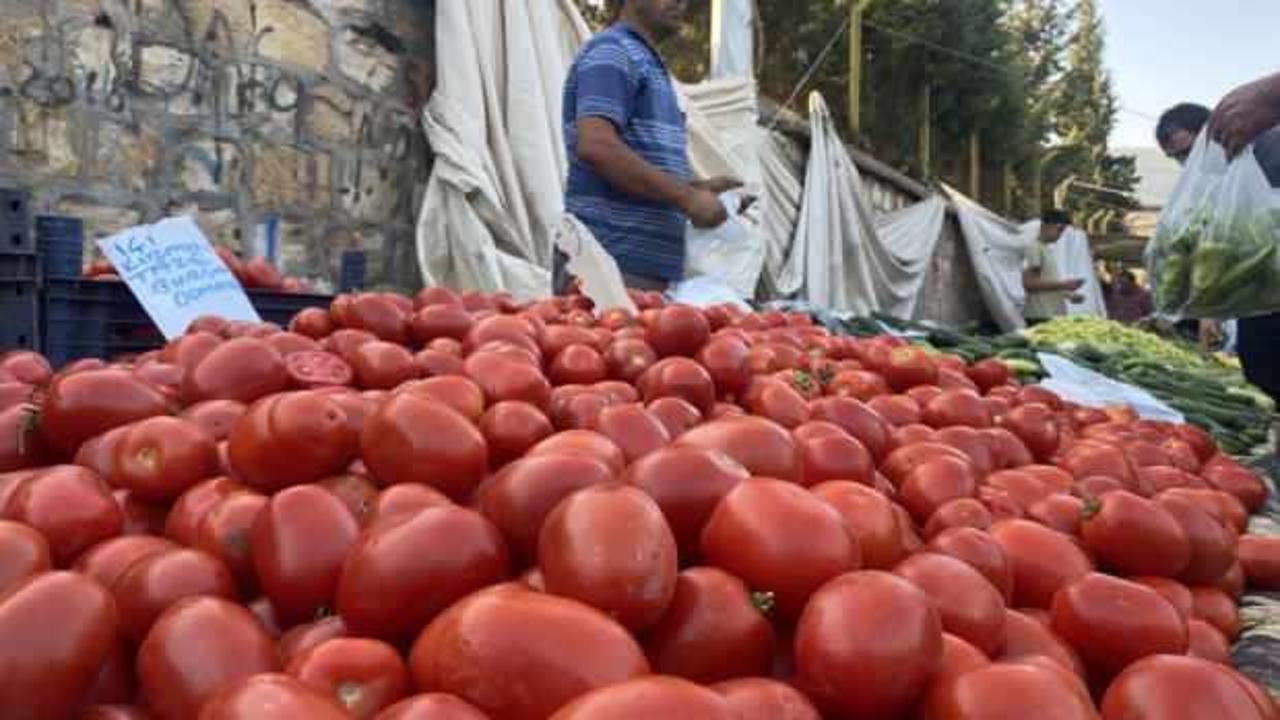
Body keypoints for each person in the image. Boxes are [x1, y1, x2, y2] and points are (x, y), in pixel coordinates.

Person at [557, 0, 738, 293]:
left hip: (636, 272)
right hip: (609, 269)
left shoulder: (645, 61)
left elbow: (632, 161)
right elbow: (597, 145)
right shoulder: (613, 52)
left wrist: (696, 188)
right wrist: (687, 198)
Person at [1156, 82, 1280, 408]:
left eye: (1187, 150)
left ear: (1218, 129)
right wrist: (1210, 308)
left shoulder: (1267, 149)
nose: (1185, 162)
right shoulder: (1218, 181)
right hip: (1263, 301)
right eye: (1176, 157)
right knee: (1261, 365)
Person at [1023, 209, 1086, 325]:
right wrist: (1064, 284)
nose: (1060, 235)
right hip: (1039, 316)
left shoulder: (1044, 248)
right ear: (1044, 225)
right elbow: (1029, 283)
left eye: (1062, 231)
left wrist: (1068, 294)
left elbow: (1044, 283)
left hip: (1049, 315)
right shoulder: (1034, 248)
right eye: (1059, 229)